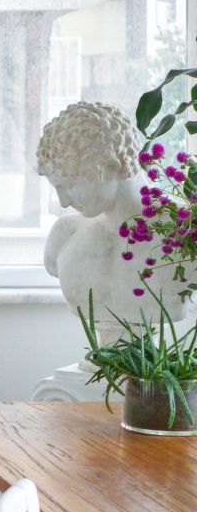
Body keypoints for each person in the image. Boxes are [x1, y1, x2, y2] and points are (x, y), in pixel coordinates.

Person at [36, 100, 193, 339]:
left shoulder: (187, 231)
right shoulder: (65, 236)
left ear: (109, 167)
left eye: (69, 185)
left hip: (151, 374)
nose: (64, 202)